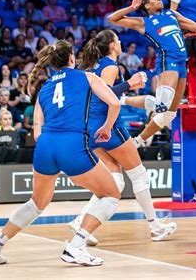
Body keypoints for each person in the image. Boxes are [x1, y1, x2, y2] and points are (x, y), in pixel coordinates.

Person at [0, 41, 122, 266]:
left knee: (36, 203)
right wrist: (107, 128)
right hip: (71, 145)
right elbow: (114, 103)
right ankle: (75, 247)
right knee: (111, 194)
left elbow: (37, 129)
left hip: (45, 146)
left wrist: (51, 148)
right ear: (72, 58)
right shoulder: (87, 77)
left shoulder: (44, 88)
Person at [68, 30, 175, 244]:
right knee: (139, 175)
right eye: (117, 39)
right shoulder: (110, 65)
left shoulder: (96, 66)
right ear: (112, 46)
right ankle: (155, 227)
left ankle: (81, 222)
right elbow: (106, 96)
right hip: (106, 125)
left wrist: (141, 95)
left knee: (115, 180)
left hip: (91, 128)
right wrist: (130, 83)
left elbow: (116, 96)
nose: (120, 41)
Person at [108, 0, 196, 146]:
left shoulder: (172, 14)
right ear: (148, 6)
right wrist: (132, 7)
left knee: (169, 114)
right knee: (161, 106)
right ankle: (121, 99)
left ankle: (137, 141)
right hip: (168, 60)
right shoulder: (144, 22)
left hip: (182, 63)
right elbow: (112, 19)